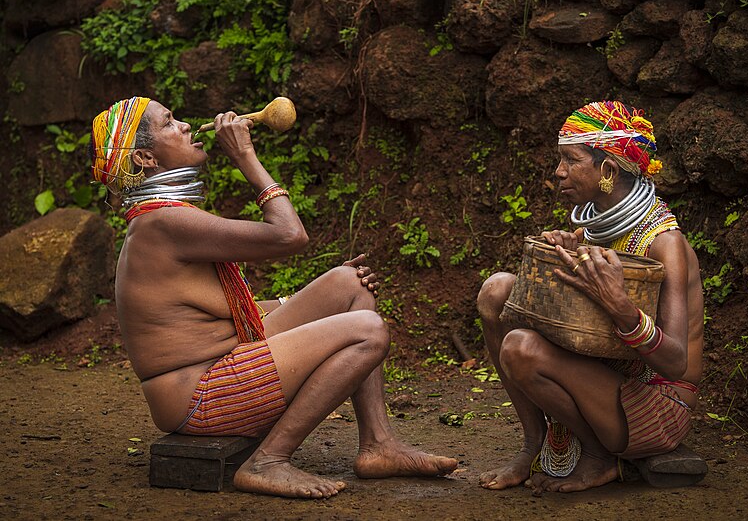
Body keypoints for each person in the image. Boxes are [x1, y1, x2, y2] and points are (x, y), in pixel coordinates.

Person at [90, 97, 457, 499]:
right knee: (367, 331)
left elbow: (224, 312)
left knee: (348, 284)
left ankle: (378, 445)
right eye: (169, 123)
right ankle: (268, 461)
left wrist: (308, 301)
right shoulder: (161, 222)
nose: (186, 127)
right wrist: (245, 155)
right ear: (145, 157)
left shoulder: (162, 217)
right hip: (198, 398)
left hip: (225, 362)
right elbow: (290, 235)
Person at [476, 101, 704, 494]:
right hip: (602, 382)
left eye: (570, 160)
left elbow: (676, 362)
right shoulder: (595, 228)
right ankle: (533, 444)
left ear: (608, 171)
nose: (558, 171)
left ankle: (600, 456)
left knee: (520, 348)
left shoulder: (665, 244)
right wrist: (559, 259)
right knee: (497, 290)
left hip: (653, 404)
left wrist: (622, 307)